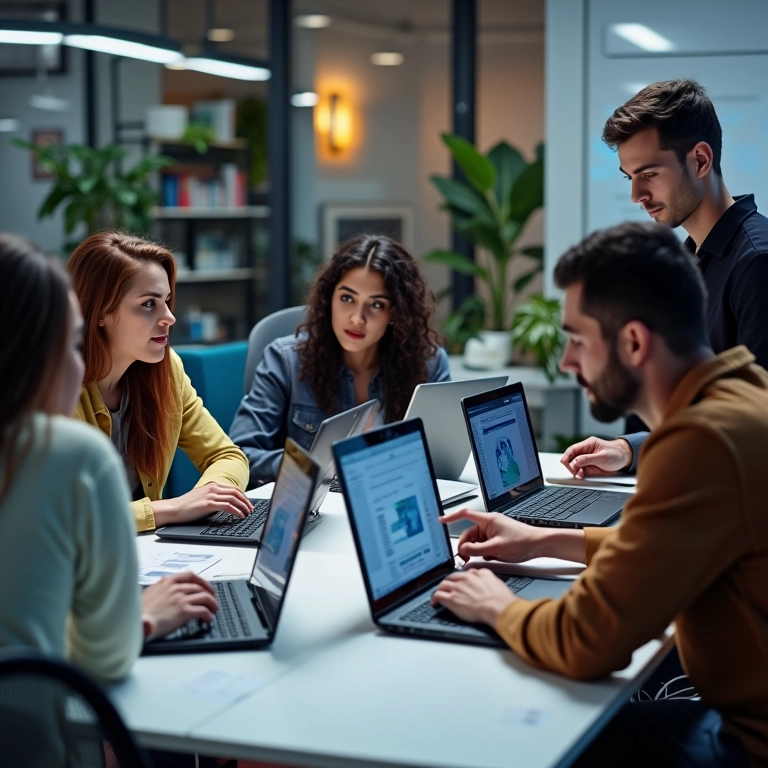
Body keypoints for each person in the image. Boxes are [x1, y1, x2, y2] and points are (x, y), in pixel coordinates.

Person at [432, 222, 767, 767]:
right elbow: (660, 554)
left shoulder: (700, 443)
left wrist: (499, 607)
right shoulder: (742, 394)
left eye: (578, 340)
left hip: (749, 748)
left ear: (633, 342)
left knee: (518, 738)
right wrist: (544, 539)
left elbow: (586, 640)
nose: (566, 362)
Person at [0, 233, 218, 683]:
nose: (76, 363)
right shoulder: (70, 454)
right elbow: (102, 656)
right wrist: (145, 616)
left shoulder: (162, 373)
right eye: (67, 342)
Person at [562, 78, 768, 479]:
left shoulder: (758, 263)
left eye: (650, 173)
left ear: (701, 161)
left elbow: (753, 425)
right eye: (629, 177)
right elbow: (693, 407)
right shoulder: (687, 259)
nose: (637, 194)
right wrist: (627, 450)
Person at [67, 231, 251, 533]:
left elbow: (226, 455)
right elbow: (67, 516)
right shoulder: (56, 388)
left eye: (166, 301)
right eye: (148, 304)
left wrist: (210, 496)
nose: (169, 317)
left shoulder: (167, 369)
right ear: (100, 312)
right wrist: (173, 508)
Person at [230, 234, 450, 485]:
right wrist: (319, 466)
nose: (358, 318)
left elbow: (443, 458)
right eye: (347, 298)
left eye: (376, 304)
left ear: (395, 312)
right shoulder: (286, 360)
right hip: (315, 512)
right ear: (329, 299)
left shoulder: (428, 363)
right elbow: (241, 454)